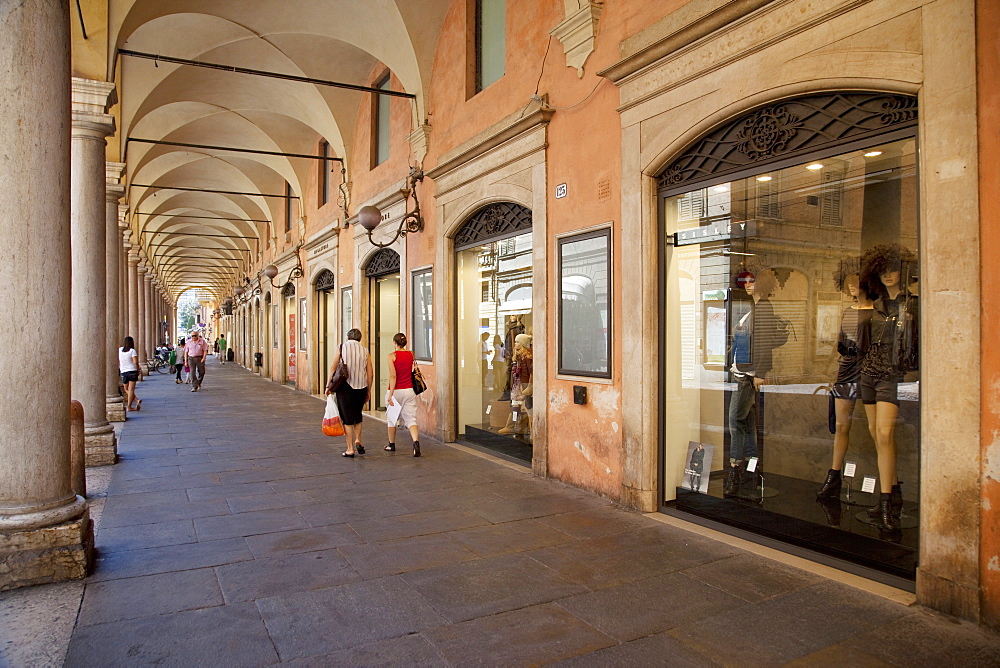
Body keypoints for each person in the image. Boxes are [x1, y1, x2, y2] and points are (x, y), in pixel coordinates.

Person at [858, 244, 918, 530]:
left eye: (893, 269)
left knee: (884, 434)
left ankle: (886, 503)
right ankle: (892, 495)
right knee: (875, 434)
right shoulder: (877, 303)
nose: (887, 275)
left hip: (892, 376)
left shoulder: (912, 304)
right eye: (882, 270)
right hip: (869, 372)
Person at [724, 268, 783, 497]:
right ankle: (751, 469)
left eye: (752, 281)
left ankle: (735, 468)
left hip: (748, 375)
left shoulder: (764, 307)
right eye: (745, 281)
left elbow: (765, 341)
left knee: (734, 420)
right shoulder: (754, 307)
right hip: (743, 371)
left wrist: (760, 372)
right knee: (747, 423)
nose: (747, 284)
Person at [816, 269, 874, 500]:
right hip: (847, 367)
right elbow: (840, 342)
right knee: (841, 426)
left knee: (877, 429)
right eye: (848, 283)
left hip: (870, 367)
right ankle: (834, 476)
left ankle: (888, 485)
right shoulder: (848, 311)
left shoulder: (877, 312)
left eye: (856, 283)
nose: (852, 287)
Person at [326, 328, 373, 457]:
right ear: (360, 338)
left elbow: (333, 368)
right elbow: (370, 373)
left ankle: (350, 448)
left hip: (345, 387)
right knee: (357, 415)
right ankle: (358, 439)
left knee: (347, 419)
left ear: (348, 337)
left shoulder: (341, 348)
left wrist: (328, 386)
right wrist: (369, 390)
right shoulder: (365, 351)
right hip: (361, 387)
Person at [385, 332, 421, 456]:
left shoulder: (392, 356)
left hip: (396, 391)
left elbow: (393, 376)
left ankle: (391, 444)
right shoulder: (411, 354)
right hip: (409, 390)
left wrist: (391, 394)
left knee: (391, 419)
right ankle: (416, 442)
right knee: (411, 419)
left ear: (395, 343)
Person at [118, 336, 141, 411]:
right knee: (130, 389)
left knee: (126, 389)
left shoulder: (120, 350)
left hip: (124, 371)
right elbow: (135, 362)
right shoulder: (132, 351)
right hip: (132, 371)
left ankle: (134, 402)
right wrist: (138, 369)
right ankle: (130, 406)